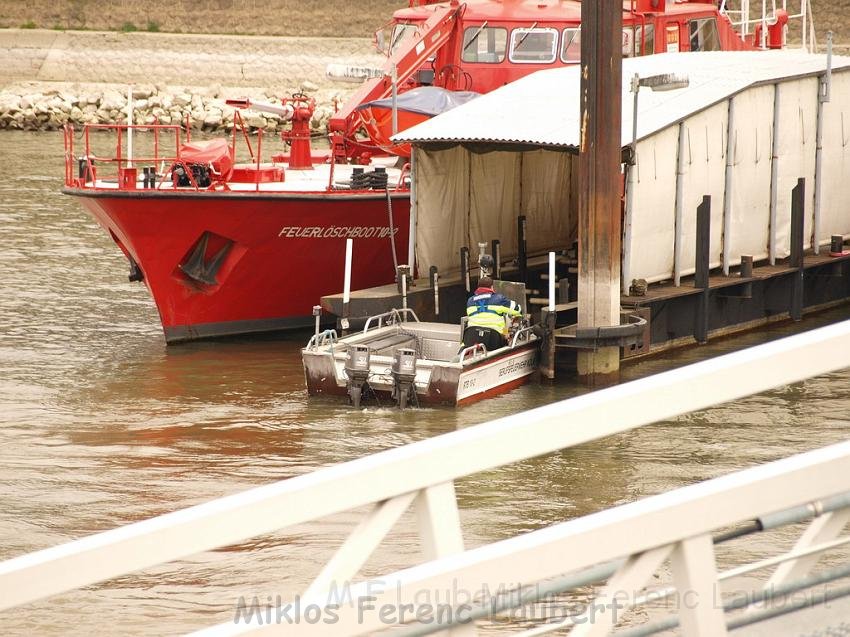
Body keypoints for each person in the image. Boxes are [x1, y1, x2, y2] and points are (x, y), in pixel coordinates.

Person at [462, 276, 522, 351]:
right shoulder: (499, 299)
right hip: (493, 341)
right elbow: (517, 309)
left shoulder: (470, 301)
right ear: (492, 287)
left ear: (478, 287)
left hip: (473, 339)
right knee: (506, 333)